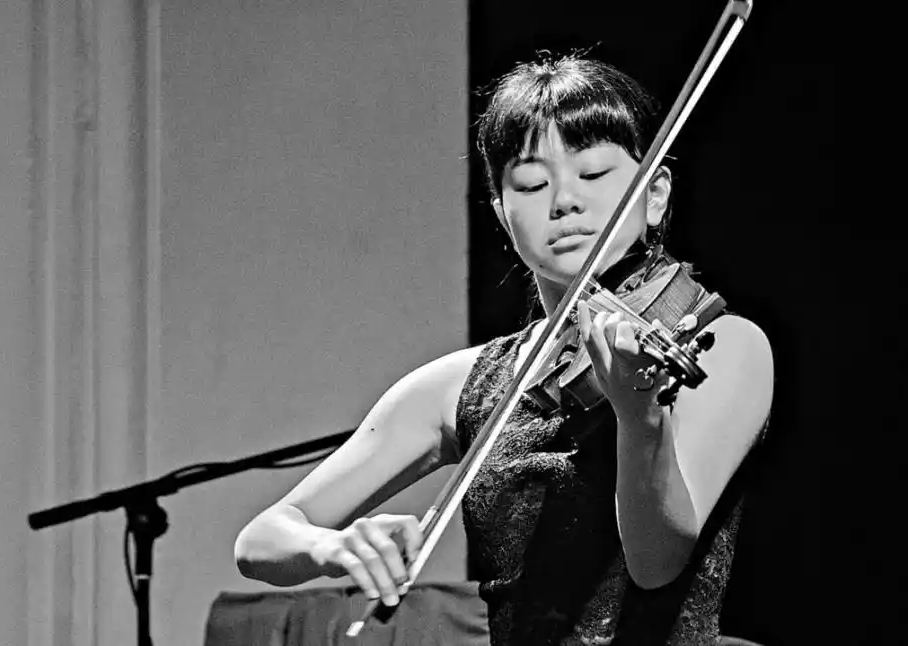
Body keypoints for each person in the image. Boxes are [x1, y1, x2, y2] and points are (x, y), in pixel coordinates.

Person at [234, 52, 774, 645]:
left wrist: (640, 418)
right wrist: (333, 547)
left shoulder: (721, 346)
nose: (564, 201)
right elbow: (263, 539)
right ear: (502, 214)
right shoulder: (462, 387)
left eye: (594, 173)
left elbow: (657, 561)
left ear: (655, 194)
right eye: (533, 184)